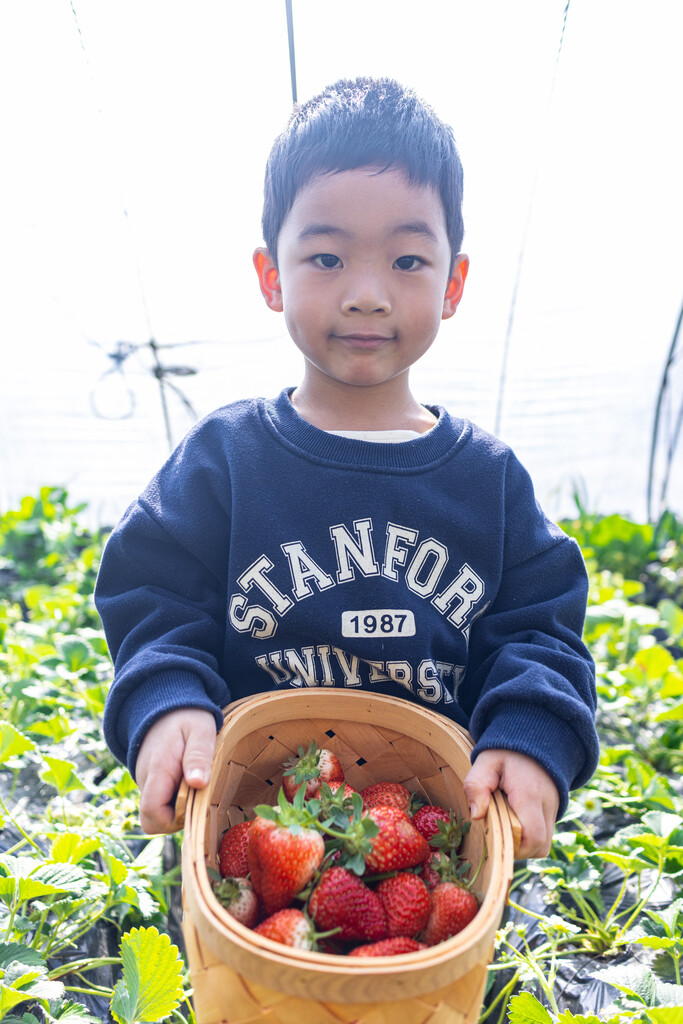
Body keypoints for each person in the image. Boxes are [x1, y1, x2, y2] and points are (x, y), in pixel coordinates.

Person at [95, 77, 599, 858]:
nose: (367, 295)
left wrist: (530, 737)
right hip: (242, 829)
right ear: (272, 277)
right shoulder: (226, 460)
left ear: (452, 284)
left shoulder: (488, 483)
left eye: (406, 259)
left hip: (432, 835)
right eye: (326, 257)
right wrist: (167, 704)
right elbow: (153, 595)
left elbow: (538, 631)